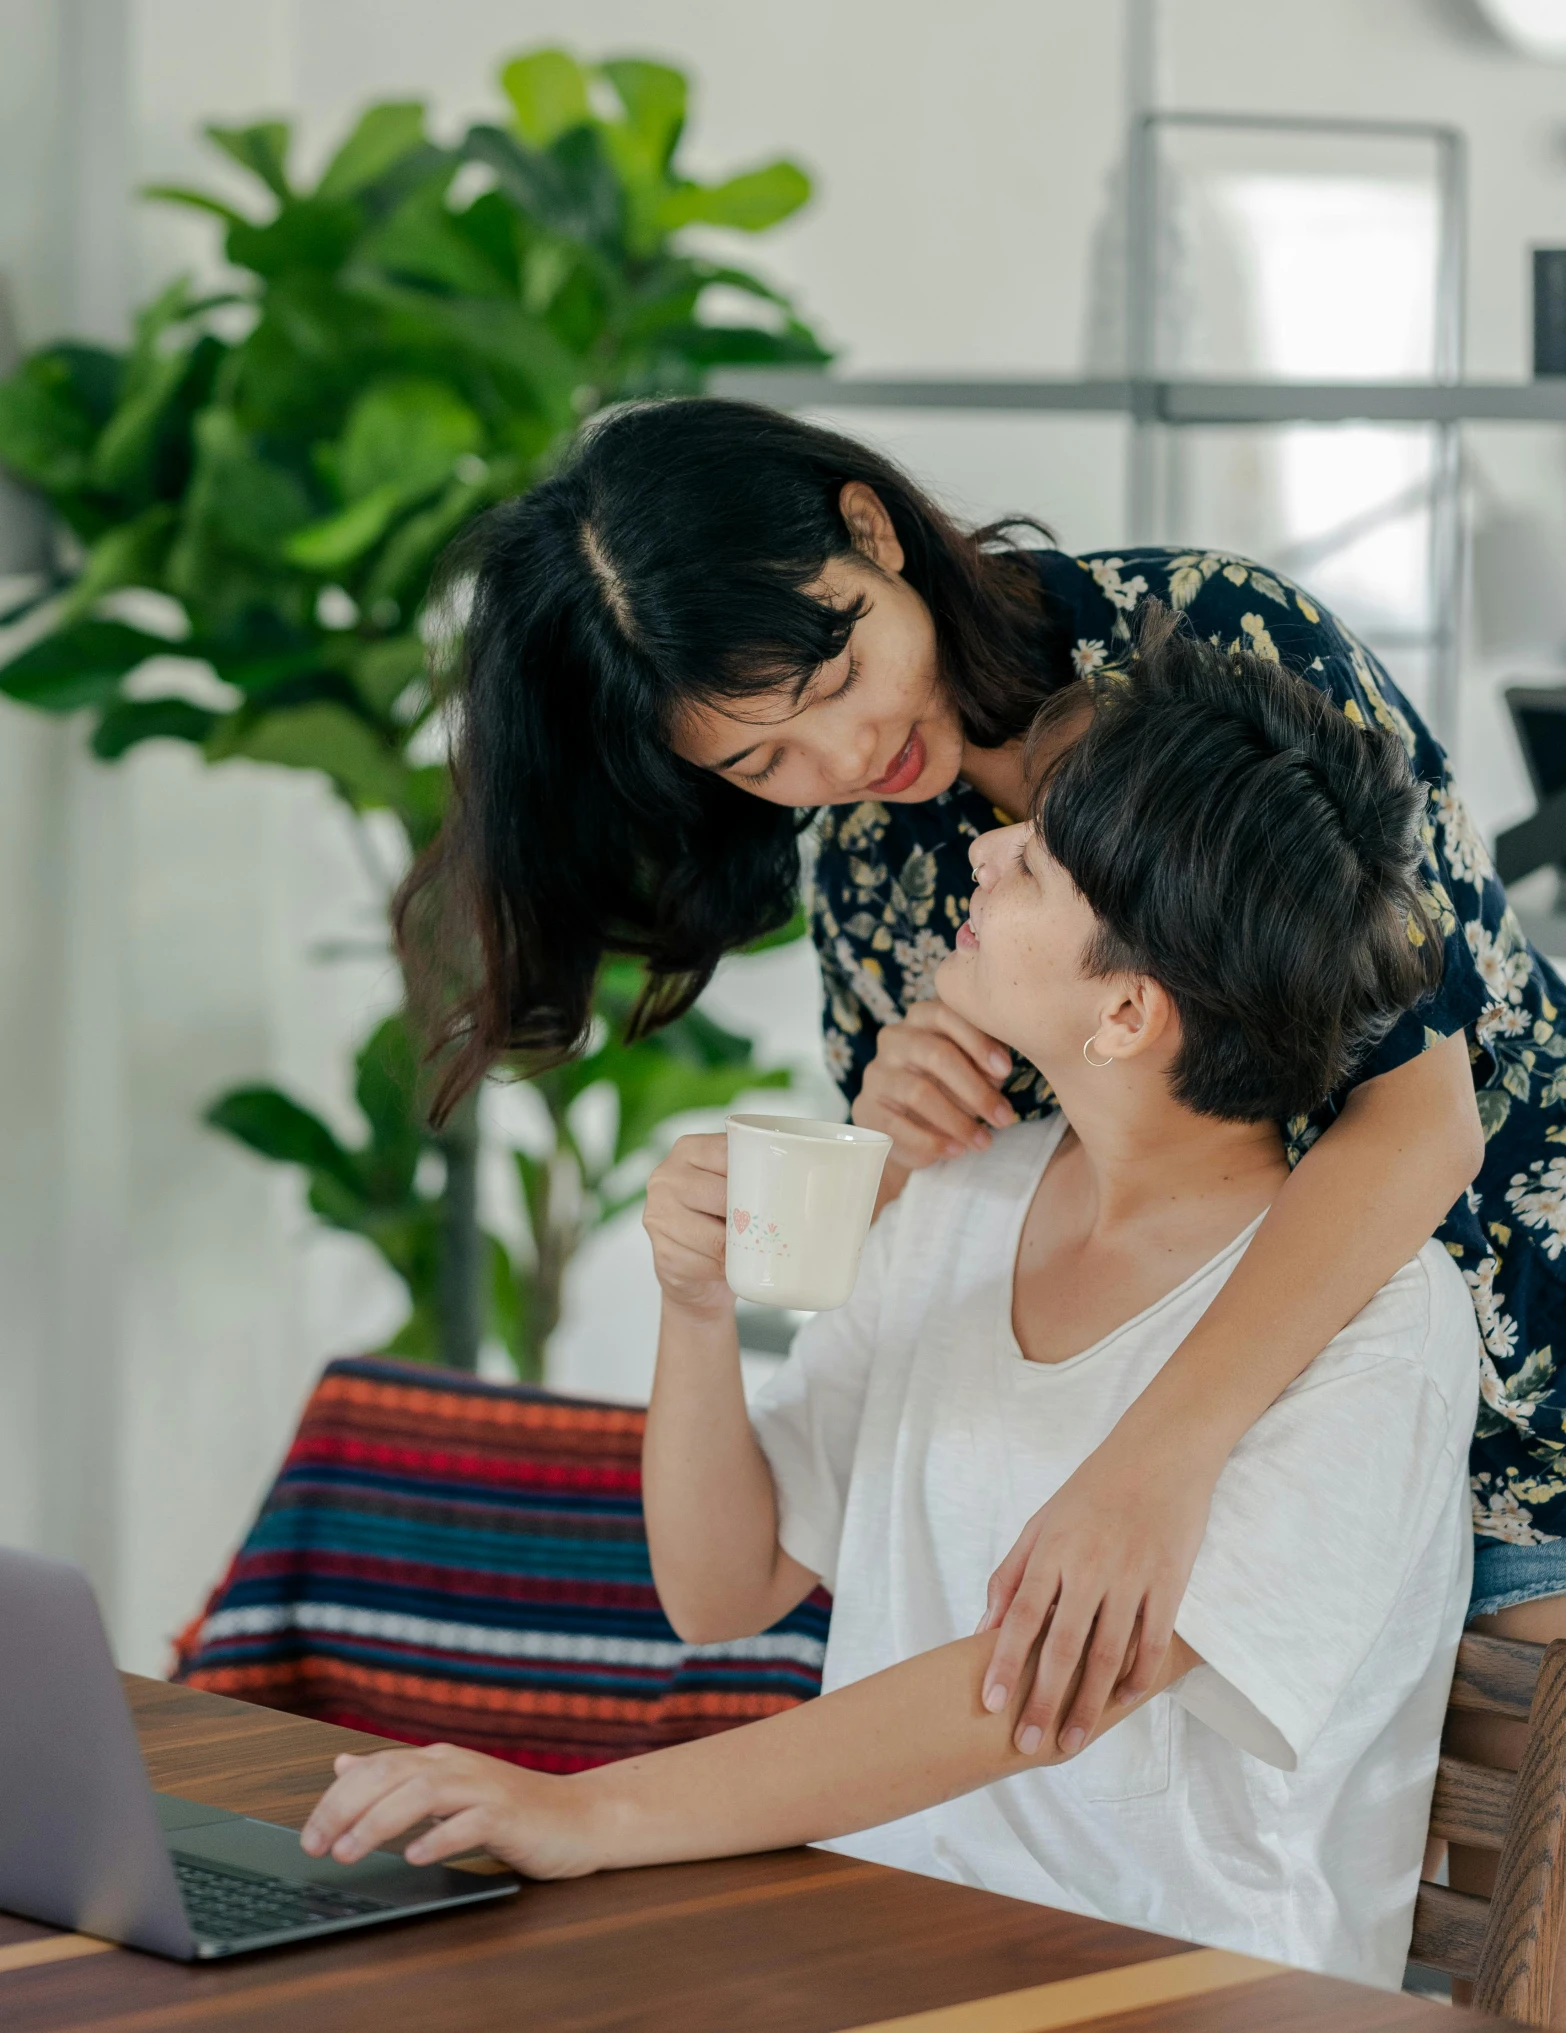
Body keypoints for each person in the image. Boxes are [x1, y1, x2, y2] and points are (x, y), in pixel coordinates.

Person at [312, 616, 1479, 1987]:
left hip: (1181, 1994)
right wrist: (694, 1306)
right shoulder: (964, 1196)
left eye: (1032, 863)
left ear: (1124, 1018)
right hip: (878, 1953)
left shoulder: (1373, 1329)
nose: (980, 851)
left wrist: (589, 1810)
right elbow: (721, 1588)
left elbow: (1028, 1696)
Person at [397, 394, 1557, 1744]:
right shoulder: (870, 858)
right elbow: (927, 1258)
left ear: (870, 530)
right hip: (1196, 1462)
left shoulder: (1208, 653)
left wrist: (1150, 1465)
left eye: (832, 681)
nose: (840, 763)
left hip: (1504, 1391)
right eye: (761, 759)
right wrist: (886, 1134)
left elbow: (1419, 1127)